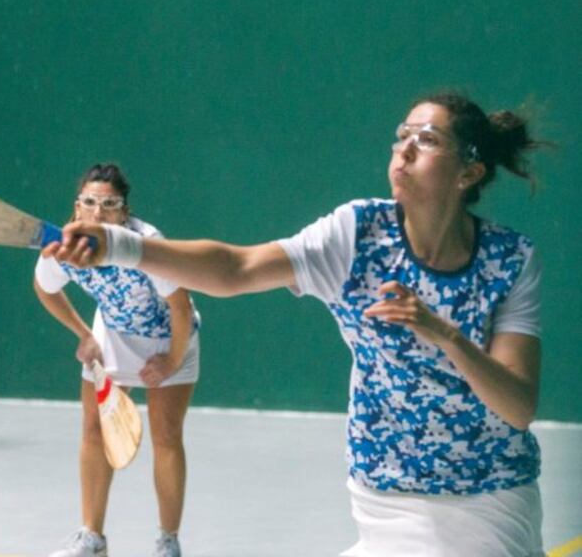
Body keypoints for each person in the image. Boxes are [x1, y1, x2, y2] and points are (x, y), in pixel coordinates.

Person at [51, 93, 547, 556]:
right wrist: (120, 246)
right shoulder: (357, 234)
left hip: (489, 498)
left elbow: (518, 407)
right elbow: (237, 267)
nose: (405, 149)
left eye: (429, 139)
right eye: (402, 135)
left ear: (469, 172)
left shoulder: (509, 260)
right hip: (382, 496)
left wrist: (444, 334)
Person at [35, 164, 201, 557]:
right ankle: (92, 538)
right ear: (77, 207)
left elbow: (179, 307)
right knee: (94, 430)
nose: (98, 212)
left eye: (110, 205)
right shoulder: (65, 247)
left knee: (166, 436)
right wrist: (84, 335)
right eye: (90, 202)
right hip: (111, 336)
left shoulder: (147, 245)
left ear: (124, 212)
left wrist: (171, 360)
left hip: (171, 337)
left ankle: (168, 542)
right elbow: (45, 289)